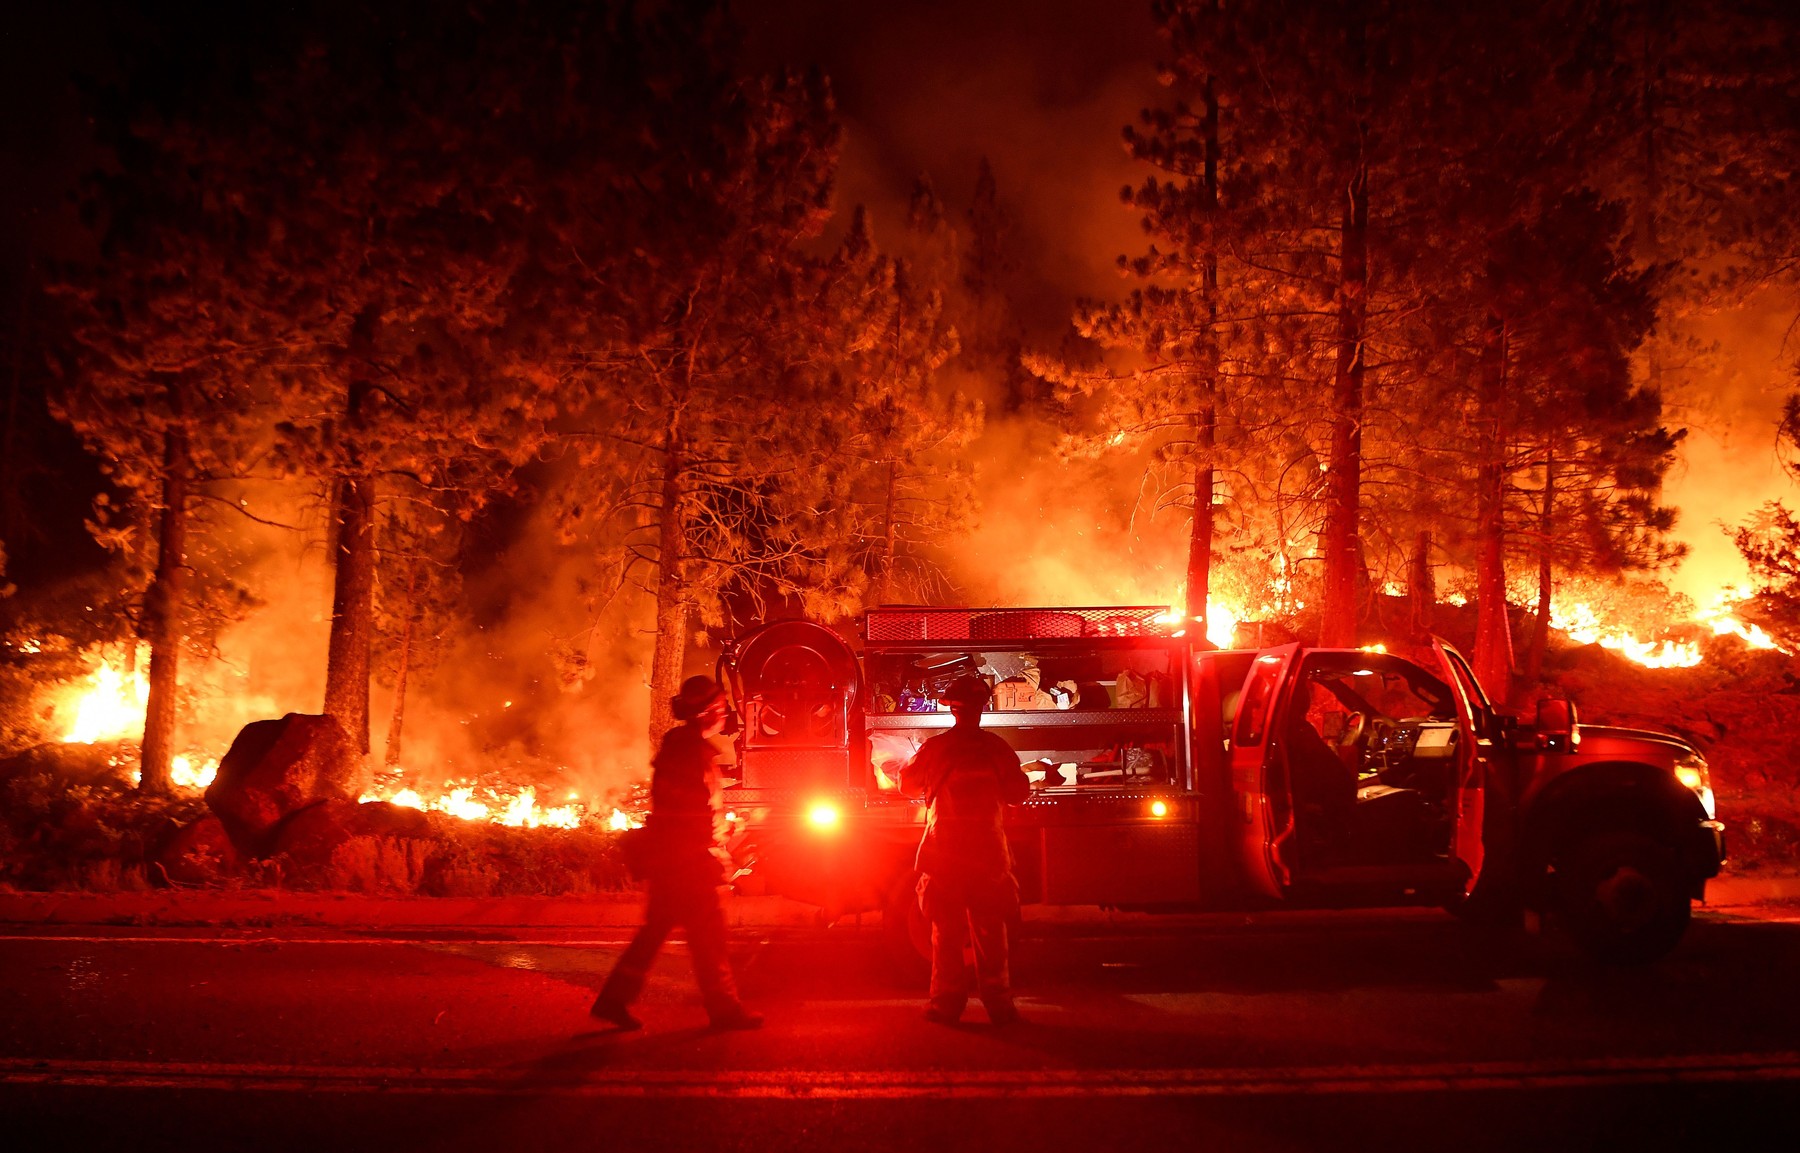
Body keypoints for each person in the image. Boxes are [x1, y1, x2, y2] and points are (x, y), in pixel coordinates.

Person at [590, 675, 763, 1032]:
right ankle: (725, 1010)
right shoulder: (689, 753)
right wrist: (718, 846)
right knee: (709, 941)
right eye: (719, 706)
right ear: (706, 712)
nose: (725, 712)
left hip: (672, 862)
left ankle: (613, 1000)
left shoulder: (680, 747)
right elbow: (695, 814)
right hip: (690, 865)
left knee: (653, 935)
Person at [901, 675, 1032, 1025]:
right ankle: (1000, 1006)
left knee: (945, 934)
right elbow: (1018, 792)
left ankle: (945, 1004)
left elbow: (906, 784)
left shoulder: (935, 748)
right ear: (982, 709)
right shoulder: (997, 748)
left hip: (945, 852)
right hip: (987, 853)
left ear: (951, 709)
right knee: (991, 933)